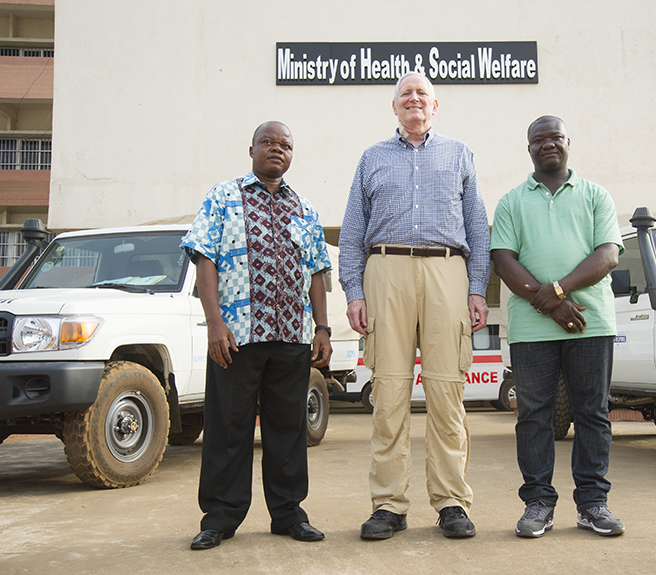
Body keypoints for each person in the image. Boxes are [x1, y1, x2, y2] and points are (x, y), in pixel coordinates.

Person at [338, 72, 491, 540]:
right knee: (388, 394)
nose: (414, 99)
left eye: (422, 93)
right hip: (386, 273)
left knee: (447, 393)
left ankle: (451, 502)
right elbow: (351, 233)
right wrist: (354, 292)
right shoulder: (372, 158)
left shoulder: (460, 154)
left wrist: (477, 288)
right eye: (405, 93)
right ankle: (389, 504)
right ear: (394, 106)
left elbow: (477, 228)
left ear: (435, 104)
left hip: (447, 272)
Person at [181, 121, 332, 549]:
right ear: (252, 150)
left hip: (291, 337)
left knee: (288, 431)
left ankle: (288, 514)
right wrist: (214, 323)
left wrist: (322, 328)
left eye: (285, 145)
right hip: (236, 339)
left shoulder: (303, 207)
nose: (276, 149)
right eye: (268, 142)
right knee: (228, 429)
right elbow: (205, 258)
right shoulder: (223, 196)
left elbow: (317, 272)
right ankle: (219, 518)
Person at [490, 115, 625, 538]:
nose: (548, 144)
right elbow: (503, 261)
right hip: (531, 331)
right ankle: (538, 503)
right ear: (529, 148)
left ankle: (592, 503)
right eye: (539, 139)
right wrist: (551, 305)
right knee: (534, 416)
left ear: (569, 142)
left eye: (556, 137)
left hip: (590, 322)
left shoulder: (596, 196)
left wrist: (559, 291)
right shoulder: (512, 201)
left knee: (592, 412)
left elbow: (608, 255)